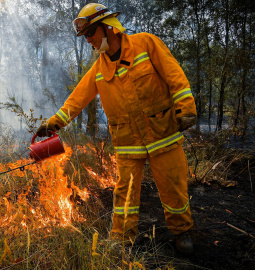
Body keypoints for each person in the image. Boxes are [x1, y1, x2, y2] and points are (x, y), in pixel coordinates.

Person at [36, 3, 197, 254]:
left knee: (173, 186)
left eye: (91, 33)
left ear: (108, 28)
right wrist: (54, 122)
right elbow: (76, 100)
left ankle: (182, 232)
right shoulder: (99, 69)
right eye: (85, 36)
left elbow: (174, 75)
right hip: (128, 142)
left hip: (162, 133)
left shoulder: (146, 44)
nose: (88, 40)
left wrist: (186, 107)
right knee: (125, 196)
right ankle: (121, 240)